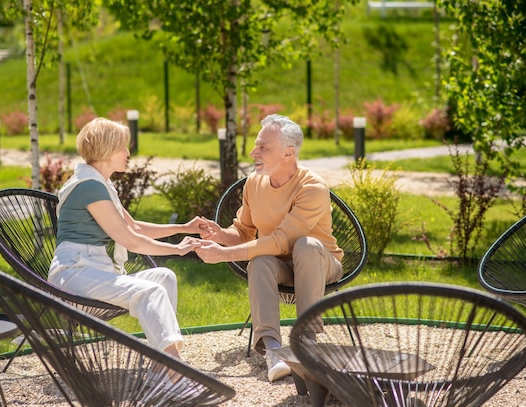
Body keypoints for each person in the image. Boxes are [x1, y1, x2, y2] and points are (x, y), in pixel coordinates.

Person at [195, 114, 343, 382]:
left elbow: (280, 241)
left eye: (263, 147)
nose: (253, 152)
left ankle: (306, 342)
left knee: (305, 245)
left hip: (321, 264)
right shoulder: (254, 182)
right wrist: (220, 236)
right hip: (280, 267)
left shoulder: (312, 187)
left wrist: (223, 256)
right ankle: (273, 350)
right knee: (260, 262)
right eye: (256, 145)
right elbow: (243, 232)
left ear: (288, 153)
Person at [48, 117, 203, 360]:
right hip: (74, 275)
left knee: (164, 277)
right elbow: (131, 240)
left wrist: (184, 227)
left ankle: (161, 362)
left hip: (92, 269)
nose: (128, 153)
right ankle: (172, 369)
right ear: (106, 150)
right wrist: (177, 249)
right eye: (123, 147)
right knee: (151, 292)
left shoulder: (100, 183)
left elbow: (134, 227)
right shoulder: (89, 186)